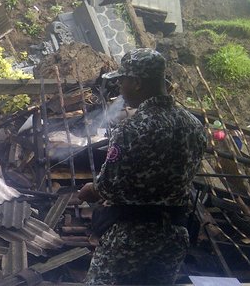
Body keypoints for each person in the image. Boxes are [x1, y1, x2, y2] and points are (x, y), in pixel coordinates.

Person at [79, 48, 206, 285]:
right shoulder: (193, 125)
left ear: (136, 82)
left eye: (122, 81)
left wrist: (90, 189)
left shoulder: (132, 129)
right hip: (174, 236)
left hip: (131, 237)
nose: (120, 88)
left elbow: (108, 187)